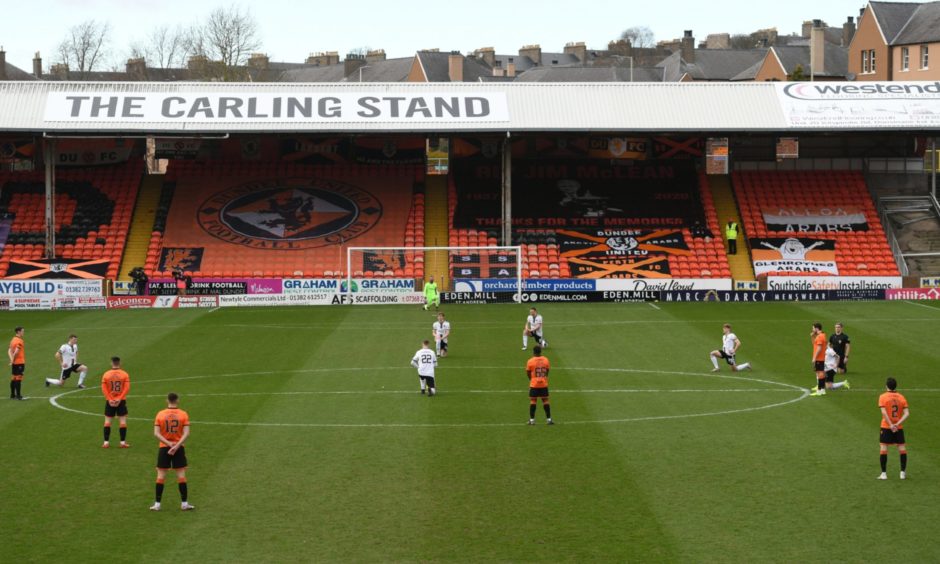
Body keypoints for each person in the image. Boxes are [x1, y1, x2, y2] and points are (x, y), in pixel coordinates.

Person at [151, 392, 195, 511]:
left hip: (164, 447)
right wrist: (176, 446)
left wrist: (168, 444)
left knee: (161, 476)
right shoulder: (183, 414)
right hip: (179, 447)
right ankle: (184, 503)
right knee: (181, 476)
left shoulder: (160, 414)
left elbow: (156, 433)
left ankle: (157, 504)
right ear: (177, 400)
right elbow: (187, 433)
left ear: (167, 400)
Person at [877, 377, 909, 480]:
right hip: (898, 427)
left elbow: (883, 412)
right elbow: (907, 413)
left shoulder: (883, 397)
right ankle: (902, 473)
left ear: (886, 386)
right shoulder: (901, 397)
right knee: (902, 449)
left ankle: (884, 474)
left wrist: (890, 424)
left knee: (883, 448)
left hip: (886, 426)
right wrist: (897, 424)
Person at [101, 356, 130, 448]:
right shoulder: (124, 374)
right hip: (121, 401)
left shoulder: (106, 374)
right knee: (122, 421)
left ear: (111, 363)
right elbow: (126, 388)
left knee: (107, 422)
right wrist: (120, 398)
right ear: (119, 363)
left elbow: (104, 388)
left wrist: (109, 399)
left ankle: (106, 443)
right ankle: (122, 443)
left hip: (110, 401)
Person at [526, 346, 553, 425]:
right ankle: (549, 420)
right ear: (540, 351)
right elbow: (547, 370)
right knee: (545, 401)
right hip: (543, 384)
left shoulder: (530, 361)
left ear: (533, 352)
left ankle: (532, 420)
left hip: (534, 384)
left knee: (533, 401)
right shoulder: (546, 360)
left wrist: (532, 379)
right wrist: (544, 377)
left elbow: (528, 372)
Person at [809, 323, 828, 396]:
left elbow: (819, 348)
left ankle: (819, 391)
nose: (812, 329)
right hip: (821, 358)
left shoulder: (820, 336)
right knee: (821, 373)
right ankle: (822, 390)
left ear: (817, 328)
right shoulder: (822, 335)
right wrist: (812, 336)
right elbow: (814, 344)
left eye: (813, 328)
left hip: (819, 358)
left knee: (820, 373)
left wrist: (814, 358)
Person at [8, 326, 25, 400]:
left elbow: (9, 351)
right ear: (18, 332)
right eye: (22, 331)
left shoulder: (12, 340)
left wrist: (12, 360)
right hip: (19, 362)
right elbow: (16, 351)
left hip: (14, 363)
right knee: (18, 379)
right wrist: (13, 359)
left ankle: (12, 395)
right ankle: (18, 396)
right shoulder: (19, 340)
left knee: (13, 378)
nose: (23, 332)